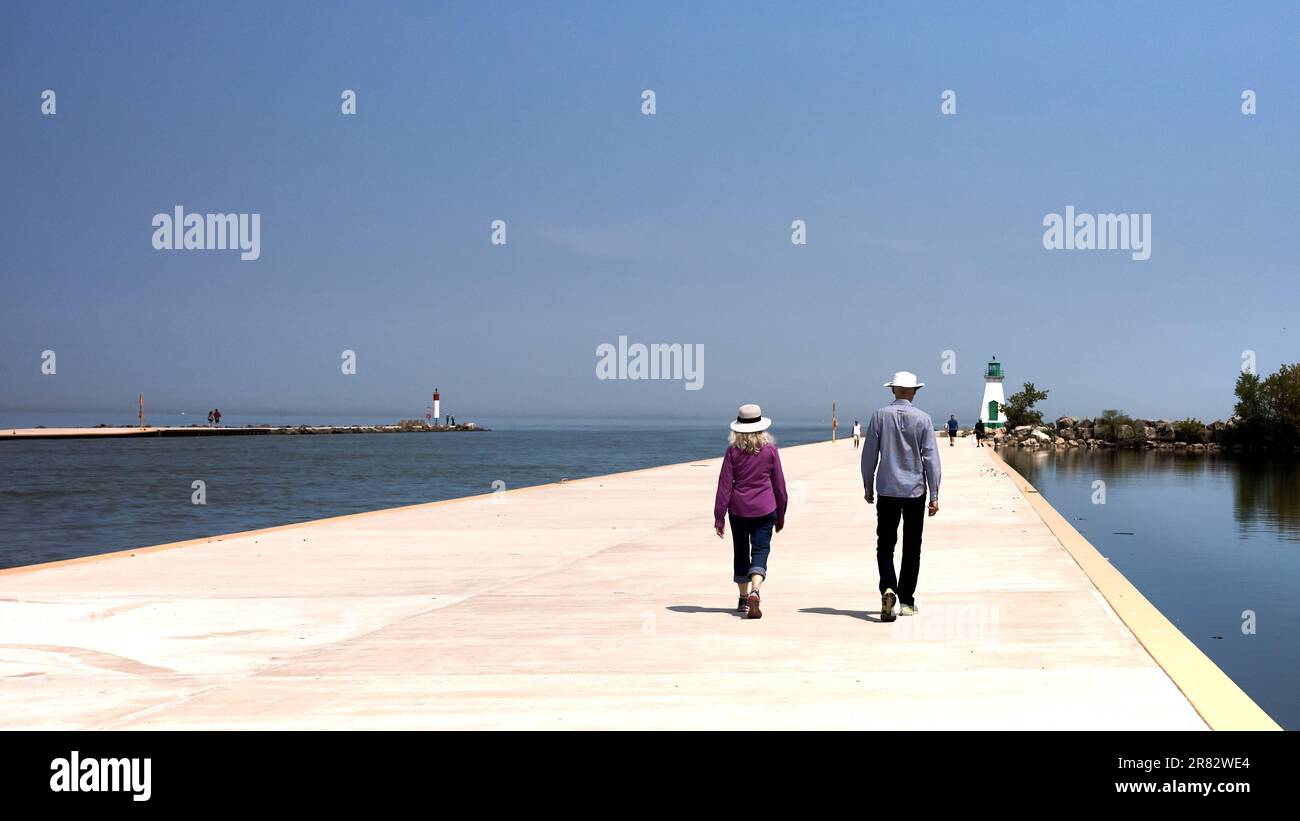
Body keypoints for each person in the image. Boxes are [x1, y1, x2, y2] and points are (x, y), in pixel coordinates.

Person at [861, 371, 941, 622]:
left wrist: (867, 486)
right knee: (912, 546)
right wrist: (935, 494)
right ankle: (906, 600)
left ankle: (888, 588)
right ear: (915, 391)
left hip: (887, 489)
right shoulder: (924, 419)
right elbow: (931, 459)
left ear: (893, 390)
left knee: (885, 544)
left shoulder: (879, 416)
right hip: (915, 490)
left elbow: (869, 455)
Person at [714, 404, 788, 620]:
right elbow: (780, 486)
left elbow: (725, 485)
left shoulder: (732, 452)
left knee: (740, 551)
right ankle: (756, 589)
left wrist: (719, 516)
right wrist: (781, 514)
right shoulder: (770, 451)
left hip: (738, 510)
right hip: (766, 508)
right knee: (760, 549)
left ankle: (743, 598)